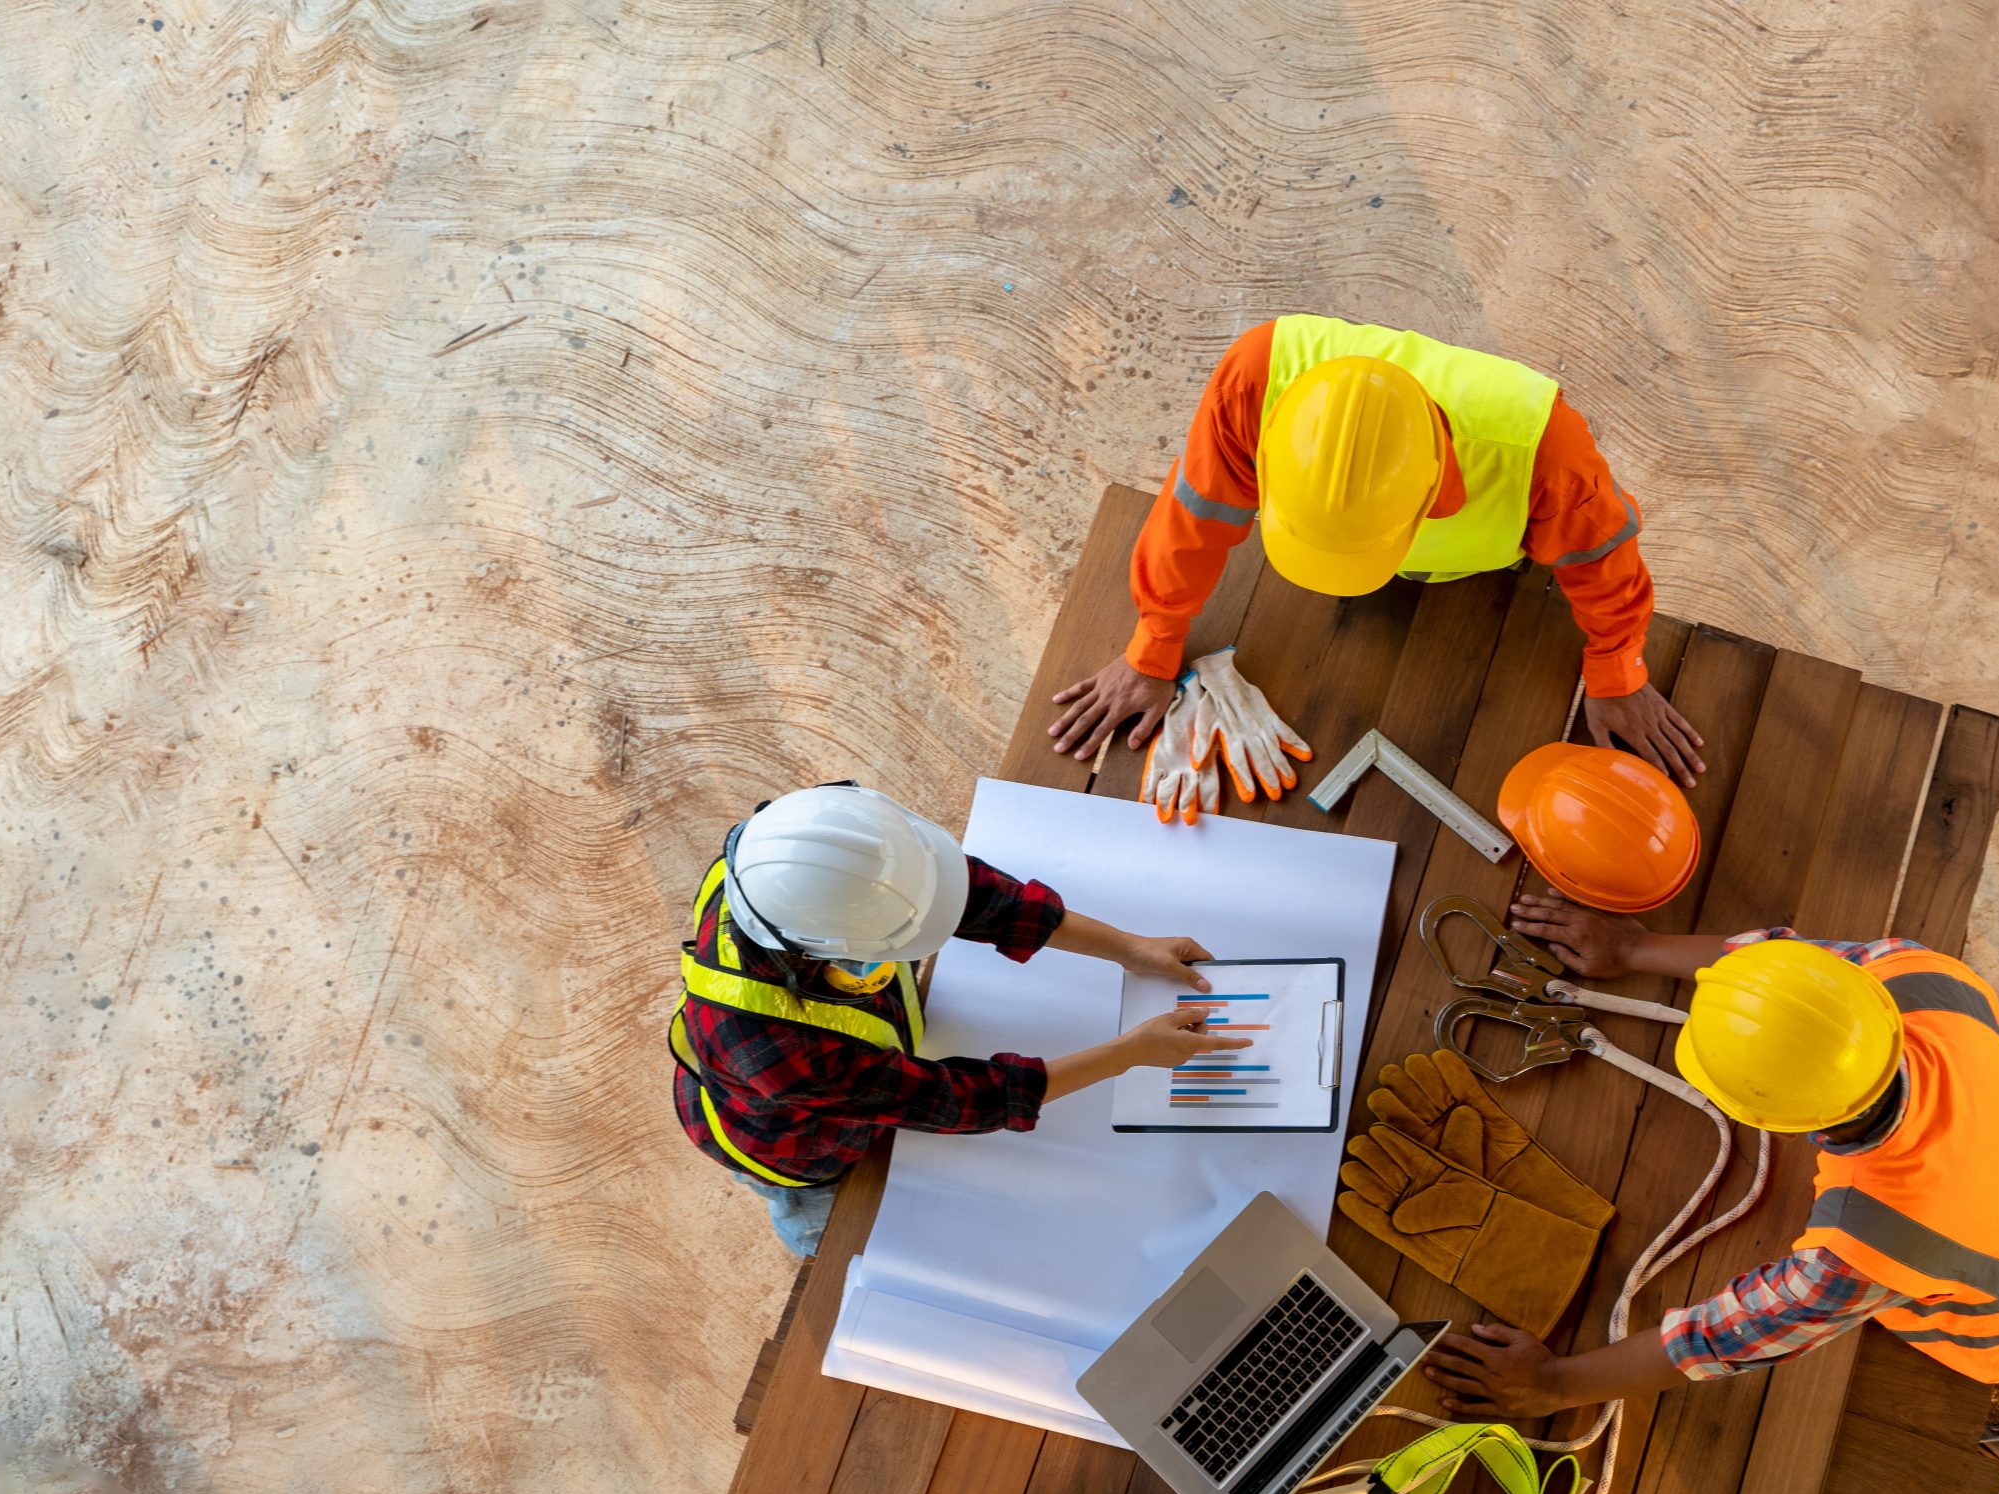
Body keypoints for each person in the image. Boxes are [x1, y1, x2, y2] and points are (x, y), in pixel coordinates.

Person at [1422, 895, 1999, 1415]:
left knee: (1911, 1297)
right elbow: (1789, 970)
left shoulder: (1862, 1247)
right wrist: (1633, 949)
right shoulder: (1914, 975)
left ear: (1767, 1119)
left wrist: (1552, 1385)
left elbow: (1728, 1336)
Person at [1047, 313, 1705, 784]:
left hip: (1486, 575)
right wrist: (1154, 645)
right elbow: (1192, 517)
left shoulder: (1542, 449)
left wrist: (1617, 669)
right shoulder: (1256, 377)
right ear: (1267, 449)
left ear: (1435, 495)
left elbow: (1604, 561)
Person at [670, 783, 1248, 1256]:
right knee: (839, 1229)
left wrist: (1129, 947)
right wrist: (1128, 1054)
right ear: (824, 950)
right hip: (789, 1140)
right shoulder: (779, 1055)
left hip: (835, 1055)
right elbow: (959, 1099)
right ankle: (807, 1235)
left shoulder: (796, 858)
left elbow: (978, 899)